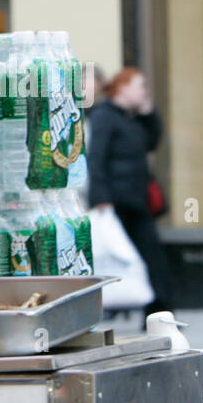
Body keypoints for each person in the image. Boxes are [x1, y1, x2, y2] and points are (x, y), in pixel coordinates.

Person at [87, 67, 173, 316]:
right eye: (140, 86)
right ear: (123, 88)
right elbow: (96, 158)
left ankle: (159, 311)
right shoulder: (104, 116)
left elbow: (152, 141)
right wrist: (101, 198)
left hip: (136, 200)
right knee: (122, 256)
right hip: (115, 201)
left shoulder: (132, 118)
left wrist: (149, 114)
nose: (144, 92)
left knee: (152, 257)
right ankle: (142, 308)